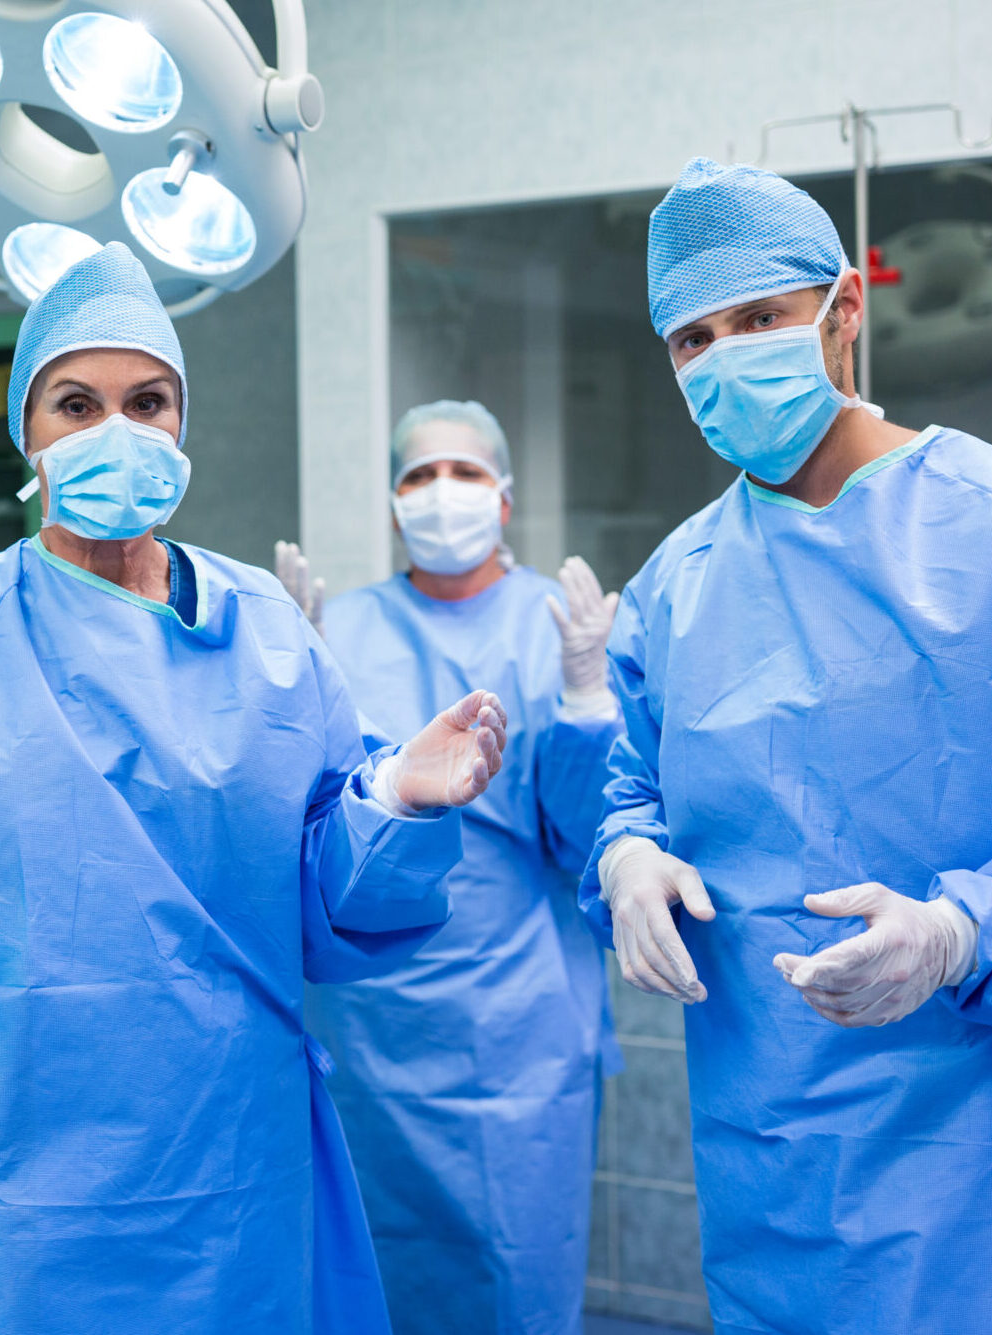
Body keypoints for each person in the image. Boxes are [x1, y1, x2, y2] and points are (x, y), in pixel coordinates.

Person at [0, 243, 510, 1335]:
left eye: (147, 401)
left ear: (183, 425)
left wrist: (395, 802)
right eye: (76, 404)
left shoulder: (266, 630)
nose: (114, 431)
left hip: (233, 1178)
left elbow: (327, 906)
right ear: (27, 433)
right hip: (19, 1197)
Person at [582, 158, 992, 1335]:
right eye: (691, 339)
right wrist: (626, 859)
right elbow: (634, 788)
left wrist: (959, 932)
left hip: (991, 1149)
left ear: (843, 310)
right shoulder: (671, 591)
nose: (723, 357)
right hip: (768, 1151)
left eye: (756, 320)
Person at [278, 400, 623, 1335]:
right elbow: (301, 826)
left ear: (504, 499)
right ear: (393, 507)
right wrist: (280, 685)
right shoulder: (340, 628)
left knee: (516, 1260)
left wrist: (590, 702)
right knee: (375, 1261)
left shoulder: (558, 626)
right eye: (419, 476)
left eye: (465, 473)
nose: (442, 493)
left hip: (520, 1012)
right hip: (370, 1011)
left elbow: (589, 842)